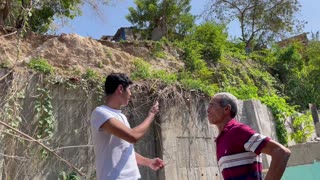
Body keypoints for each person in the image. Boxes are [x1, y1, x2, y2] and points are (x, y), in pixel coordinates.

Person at [90, 73, 164, 180]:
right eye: (129, 89)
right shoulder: (100, 113)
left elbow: (125, 150)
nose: (130, 94)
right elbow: (133, 136)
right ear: (120, 89)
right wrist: (151, 115)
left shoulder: (121, 117)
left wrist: (148, 162)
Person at [207, 92, 291, 180]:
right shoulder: (221, 139)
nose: (208, 109)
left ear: (227, 109)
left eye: (211, 105)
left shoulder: (238, 131)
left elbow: (281, 152)